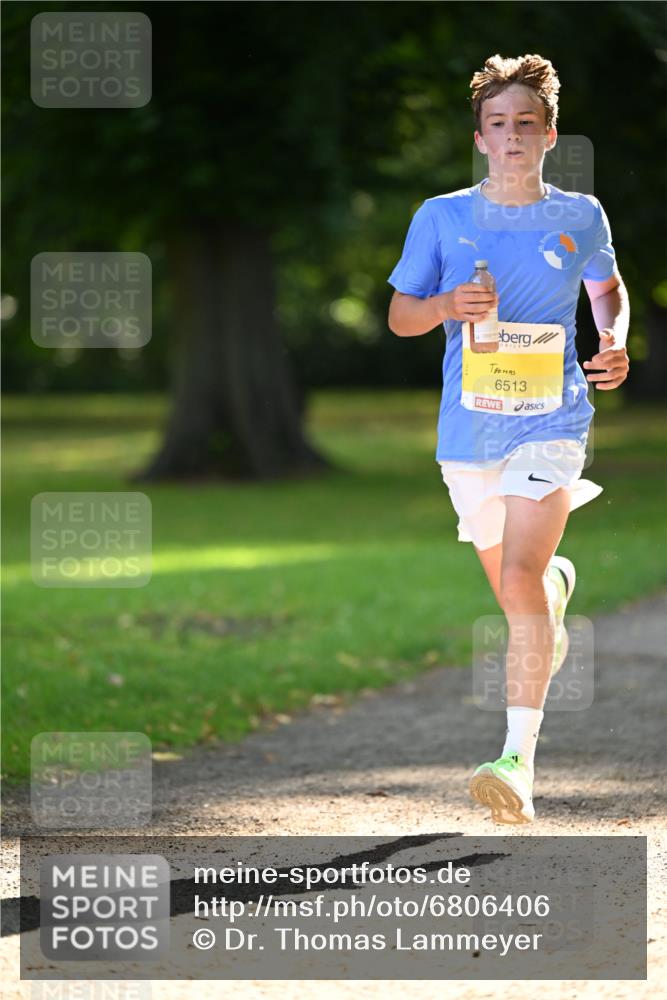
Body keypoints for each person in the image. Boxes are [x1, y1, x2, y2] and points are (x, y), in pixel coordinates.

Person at [386, 53, 630, 824]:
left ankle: (514, 762)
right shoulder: (440, 216)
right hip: (469, 433)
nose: (513, 134)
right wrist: (446, 305)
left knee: (517, 584)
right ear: (480, 139)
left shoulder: (580, 215)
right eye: (498, 123)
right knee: (520, 593)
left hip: (552, 420)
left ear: (548, 134)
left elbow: (606, 289)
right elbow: (399, 316)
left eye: (526, 122)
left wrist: (612, 337)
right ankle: (554, 588)